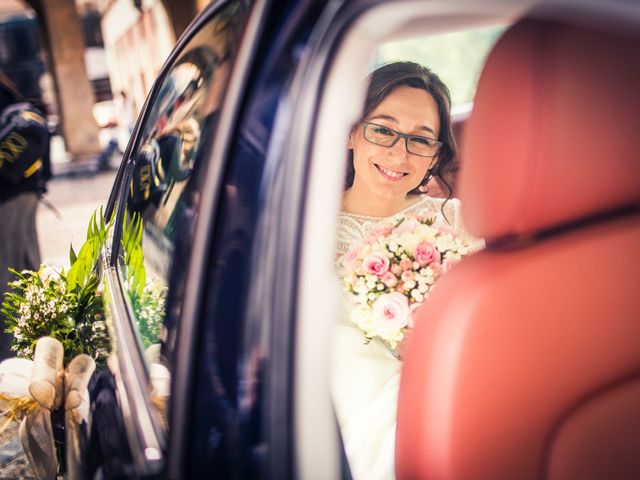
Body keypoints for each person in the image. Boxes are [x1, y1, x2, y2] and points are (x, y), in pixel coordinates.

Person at [331, 61, 481, 479]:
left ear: (436, 155)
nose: (400, 154)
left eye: (420, 140)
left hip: (466, 392)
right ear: (351, 132)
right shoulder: (307, 234)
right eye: (383, 130)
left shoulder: (457, 221)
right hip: (360, 420)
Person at [0, 73, 49, 360]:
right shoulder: (8, 85)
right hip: (23, 189)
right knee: (26, 269)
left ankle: (13, 363)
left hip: (8, 194)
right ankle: (39, 347)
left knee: (9, 281)